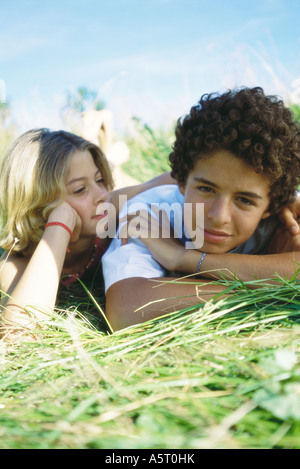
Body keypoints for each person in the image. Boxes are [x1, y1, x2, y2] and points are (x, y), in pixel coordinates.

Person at [103, 87, 300, 331]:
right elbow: (126, 310)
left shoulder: (286, 215)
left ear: (271, 206)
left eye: (245, 201)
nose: (219, 216)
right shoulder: (149, 215)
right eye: (207, 189)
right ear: (183, 182)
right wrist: (273, 286)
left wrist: (185, 259)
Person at [0, 128, 174, 338]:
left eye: (100, 180)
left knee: (127, 186)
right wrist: (59, 225)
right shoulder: (17, 263)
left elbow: (172, 180)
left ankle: (111, 161)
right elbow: (20, 334)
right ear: (37, 205)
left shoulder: (108, 211)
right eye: (80, 189)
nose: (101, 194)